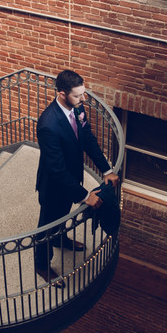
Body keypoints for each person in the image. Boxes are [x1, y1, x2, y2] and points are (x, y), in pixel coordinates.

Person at [34, 69, 120, 288]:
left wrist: (106, 170)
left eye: (83, 93)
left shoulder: (78, 108)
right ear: (62, 93)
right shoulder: (47, 124)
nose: (83, 99)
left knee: (63, 215)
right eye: (77, 95)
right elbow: (56, 169)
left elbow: (88, 139)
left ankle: (60, 239)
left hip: (72, 178)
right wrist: (84, 196)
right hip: (53, 186)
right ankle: (42, 265)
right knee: (46, 227)